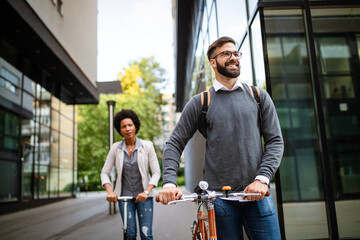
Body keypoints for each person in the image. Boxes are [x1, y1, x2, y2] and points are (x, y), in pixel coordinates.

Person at [158, 36, 284, 239]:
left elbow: (275, 141)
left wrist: (262, 179)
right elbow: (174, 143)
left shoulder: (258, 96)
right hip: (219, 201)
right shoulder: (201, 102)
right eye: (226, 53)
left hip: (258, 195)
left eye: (236, 53)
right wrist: (169, 184)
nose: (233, 57)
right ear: (213, 62)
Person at [100, 109, 161, 240]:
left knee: (146, 234)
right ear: (120, 130)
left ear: (135, 126)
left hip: (145, 197)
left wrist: (146, 192)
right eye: (123, 127)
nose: (127, 128)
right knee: (130, 234)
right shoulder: (116, 148)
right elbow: (105, 173)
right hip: (124, 198)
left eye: (130, 125)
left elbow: (156, 172)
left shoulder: (147, 146)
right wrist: (110, 191)